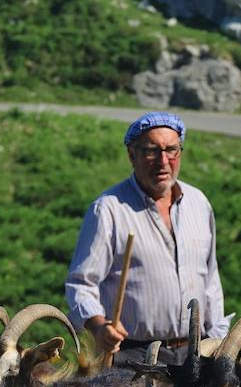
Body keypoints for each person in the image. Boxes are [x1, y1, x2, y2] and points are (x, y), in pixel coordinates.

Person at [65, 111, 227, 367]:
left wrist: (219, 340)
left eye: (171, 150)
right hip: (133, 358)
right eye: (152, 151)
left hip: (196, 354)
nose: (163, 161)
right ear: (132, 154)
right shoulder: (109, 210)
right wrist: (99, 328)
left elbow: (210, 281)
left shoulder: (199, 203)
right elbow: (80, 285)